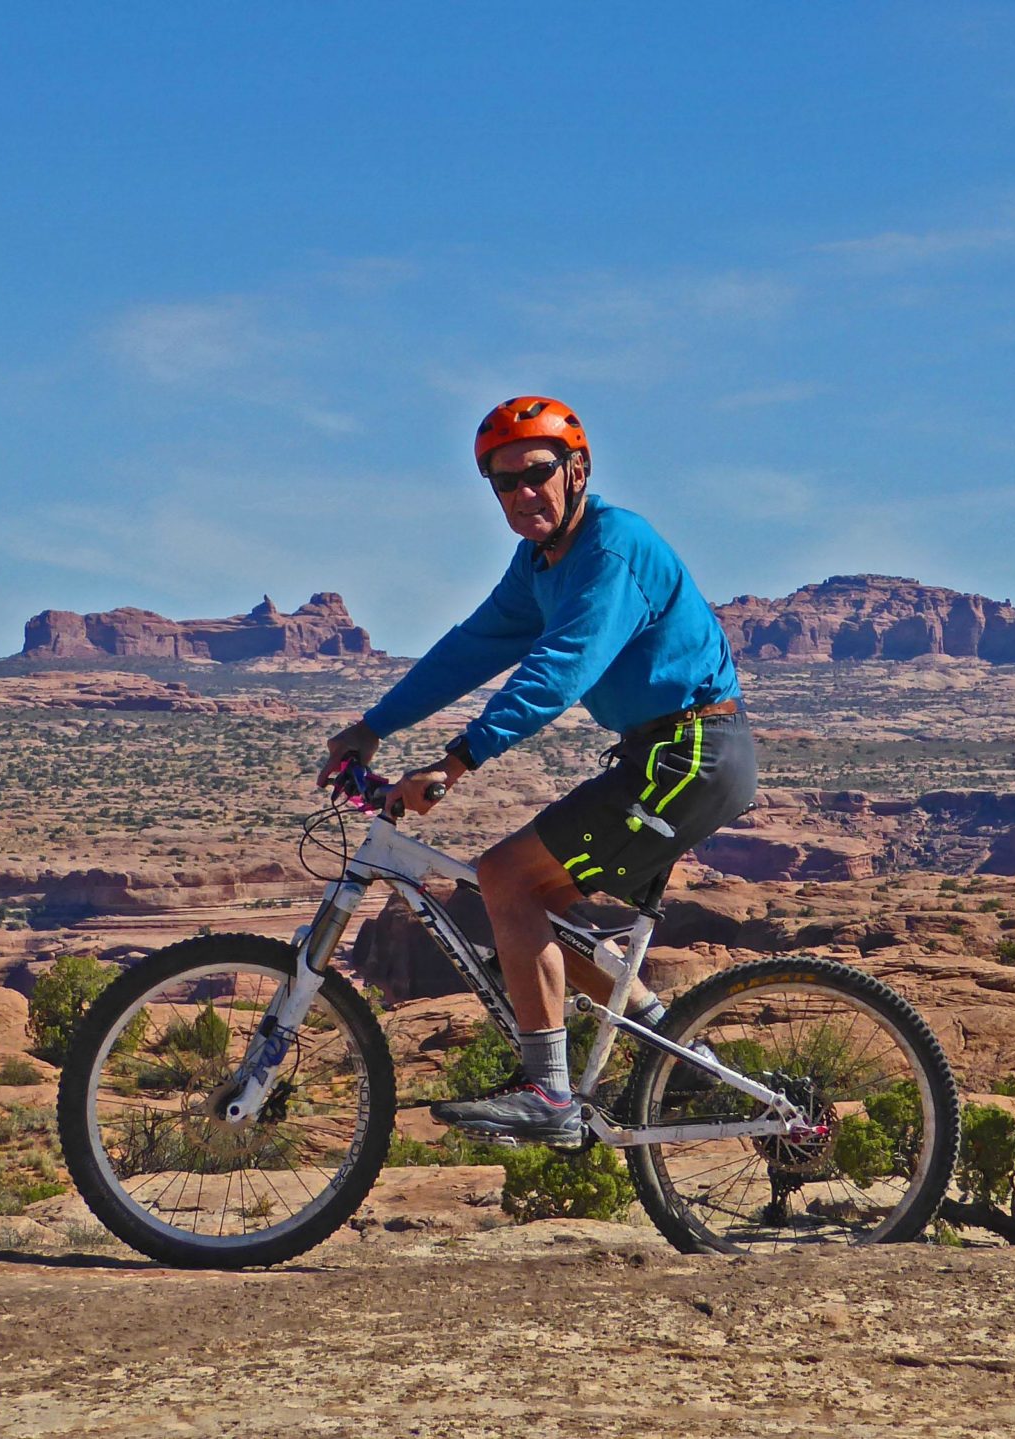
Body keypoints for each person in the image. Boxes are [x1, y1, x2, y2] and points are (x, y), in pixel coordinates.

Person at [324, 396, 756, 1144]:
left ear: (577, 470)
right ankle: (682, 1054)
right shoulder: (541, 563)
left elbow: (558, 671)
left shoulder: (611, 549)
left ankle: (549, 1094)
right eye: (503, 483)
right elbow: (472, 647)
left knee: (508, 878)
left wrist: (454, 763)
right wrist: (370, 727)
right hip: (656, 755)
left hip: (692, 753)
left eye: (537, 473)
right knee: (531, 909)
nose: (522, 494)